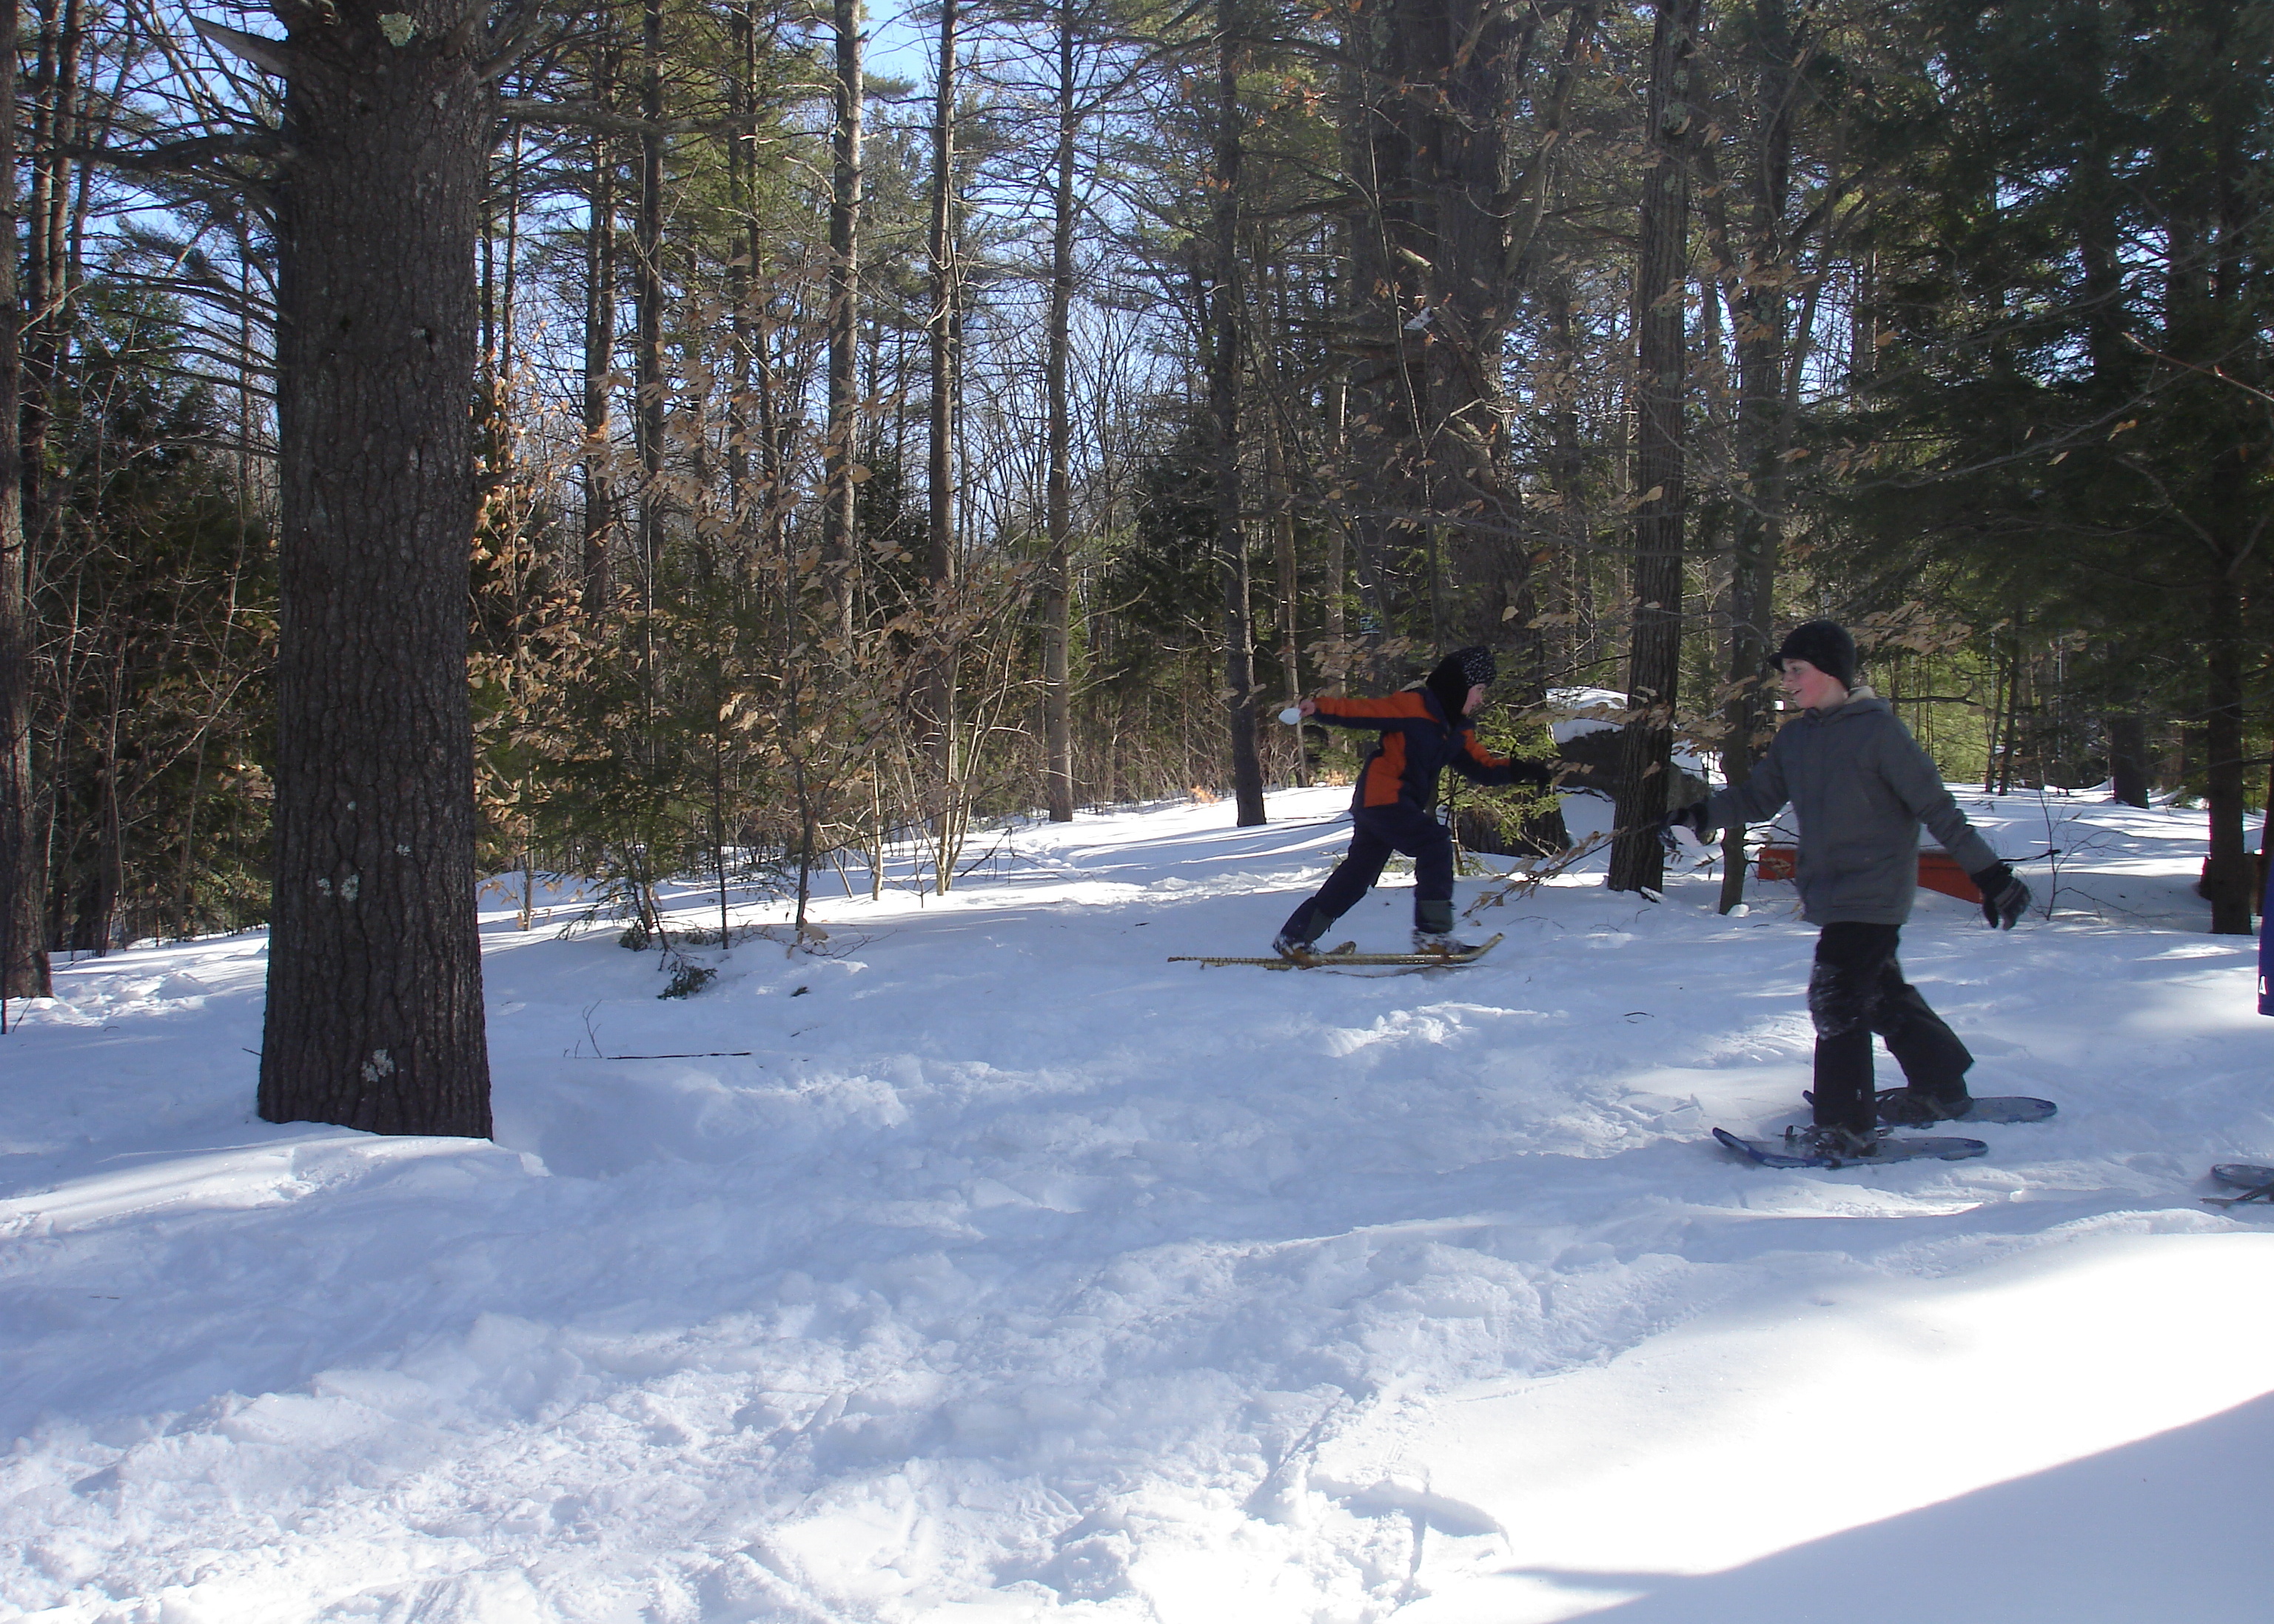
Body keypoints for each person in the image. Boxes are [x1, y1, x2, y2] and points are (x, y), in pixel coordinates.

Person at [1666, 620, 2032, 1157]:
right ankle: (1941, 1084)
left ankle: (1845, 1130)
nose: (1787, 683)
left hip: (1875, 892)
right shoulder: (1797, 738)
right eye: (1785, 673)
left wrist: (1991, 875)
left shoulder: (1879, 734)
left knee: (1836, 998)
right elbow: (1758, 798)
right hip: (1832, 894)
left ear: (1832, 673)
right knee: (1878, 994)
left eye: (1797, 671)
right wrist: (1701, 813)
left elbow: (1938, 809)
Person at [1275, 646, 1553, 957]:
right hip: (1383, 799)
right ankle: (1432, 935)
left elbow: (1483, 768)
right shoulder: (1414, 706)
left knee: (1358, 876)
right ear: (1461, 686)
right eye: (1478, 690)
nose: (1480, 699)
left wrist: (1525, 771)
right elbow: (1365, 711)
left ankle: (1294, 938)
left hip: (1389, 806)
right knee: (1434, 843)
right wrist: (1320, 707)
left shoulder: (1457, 730)